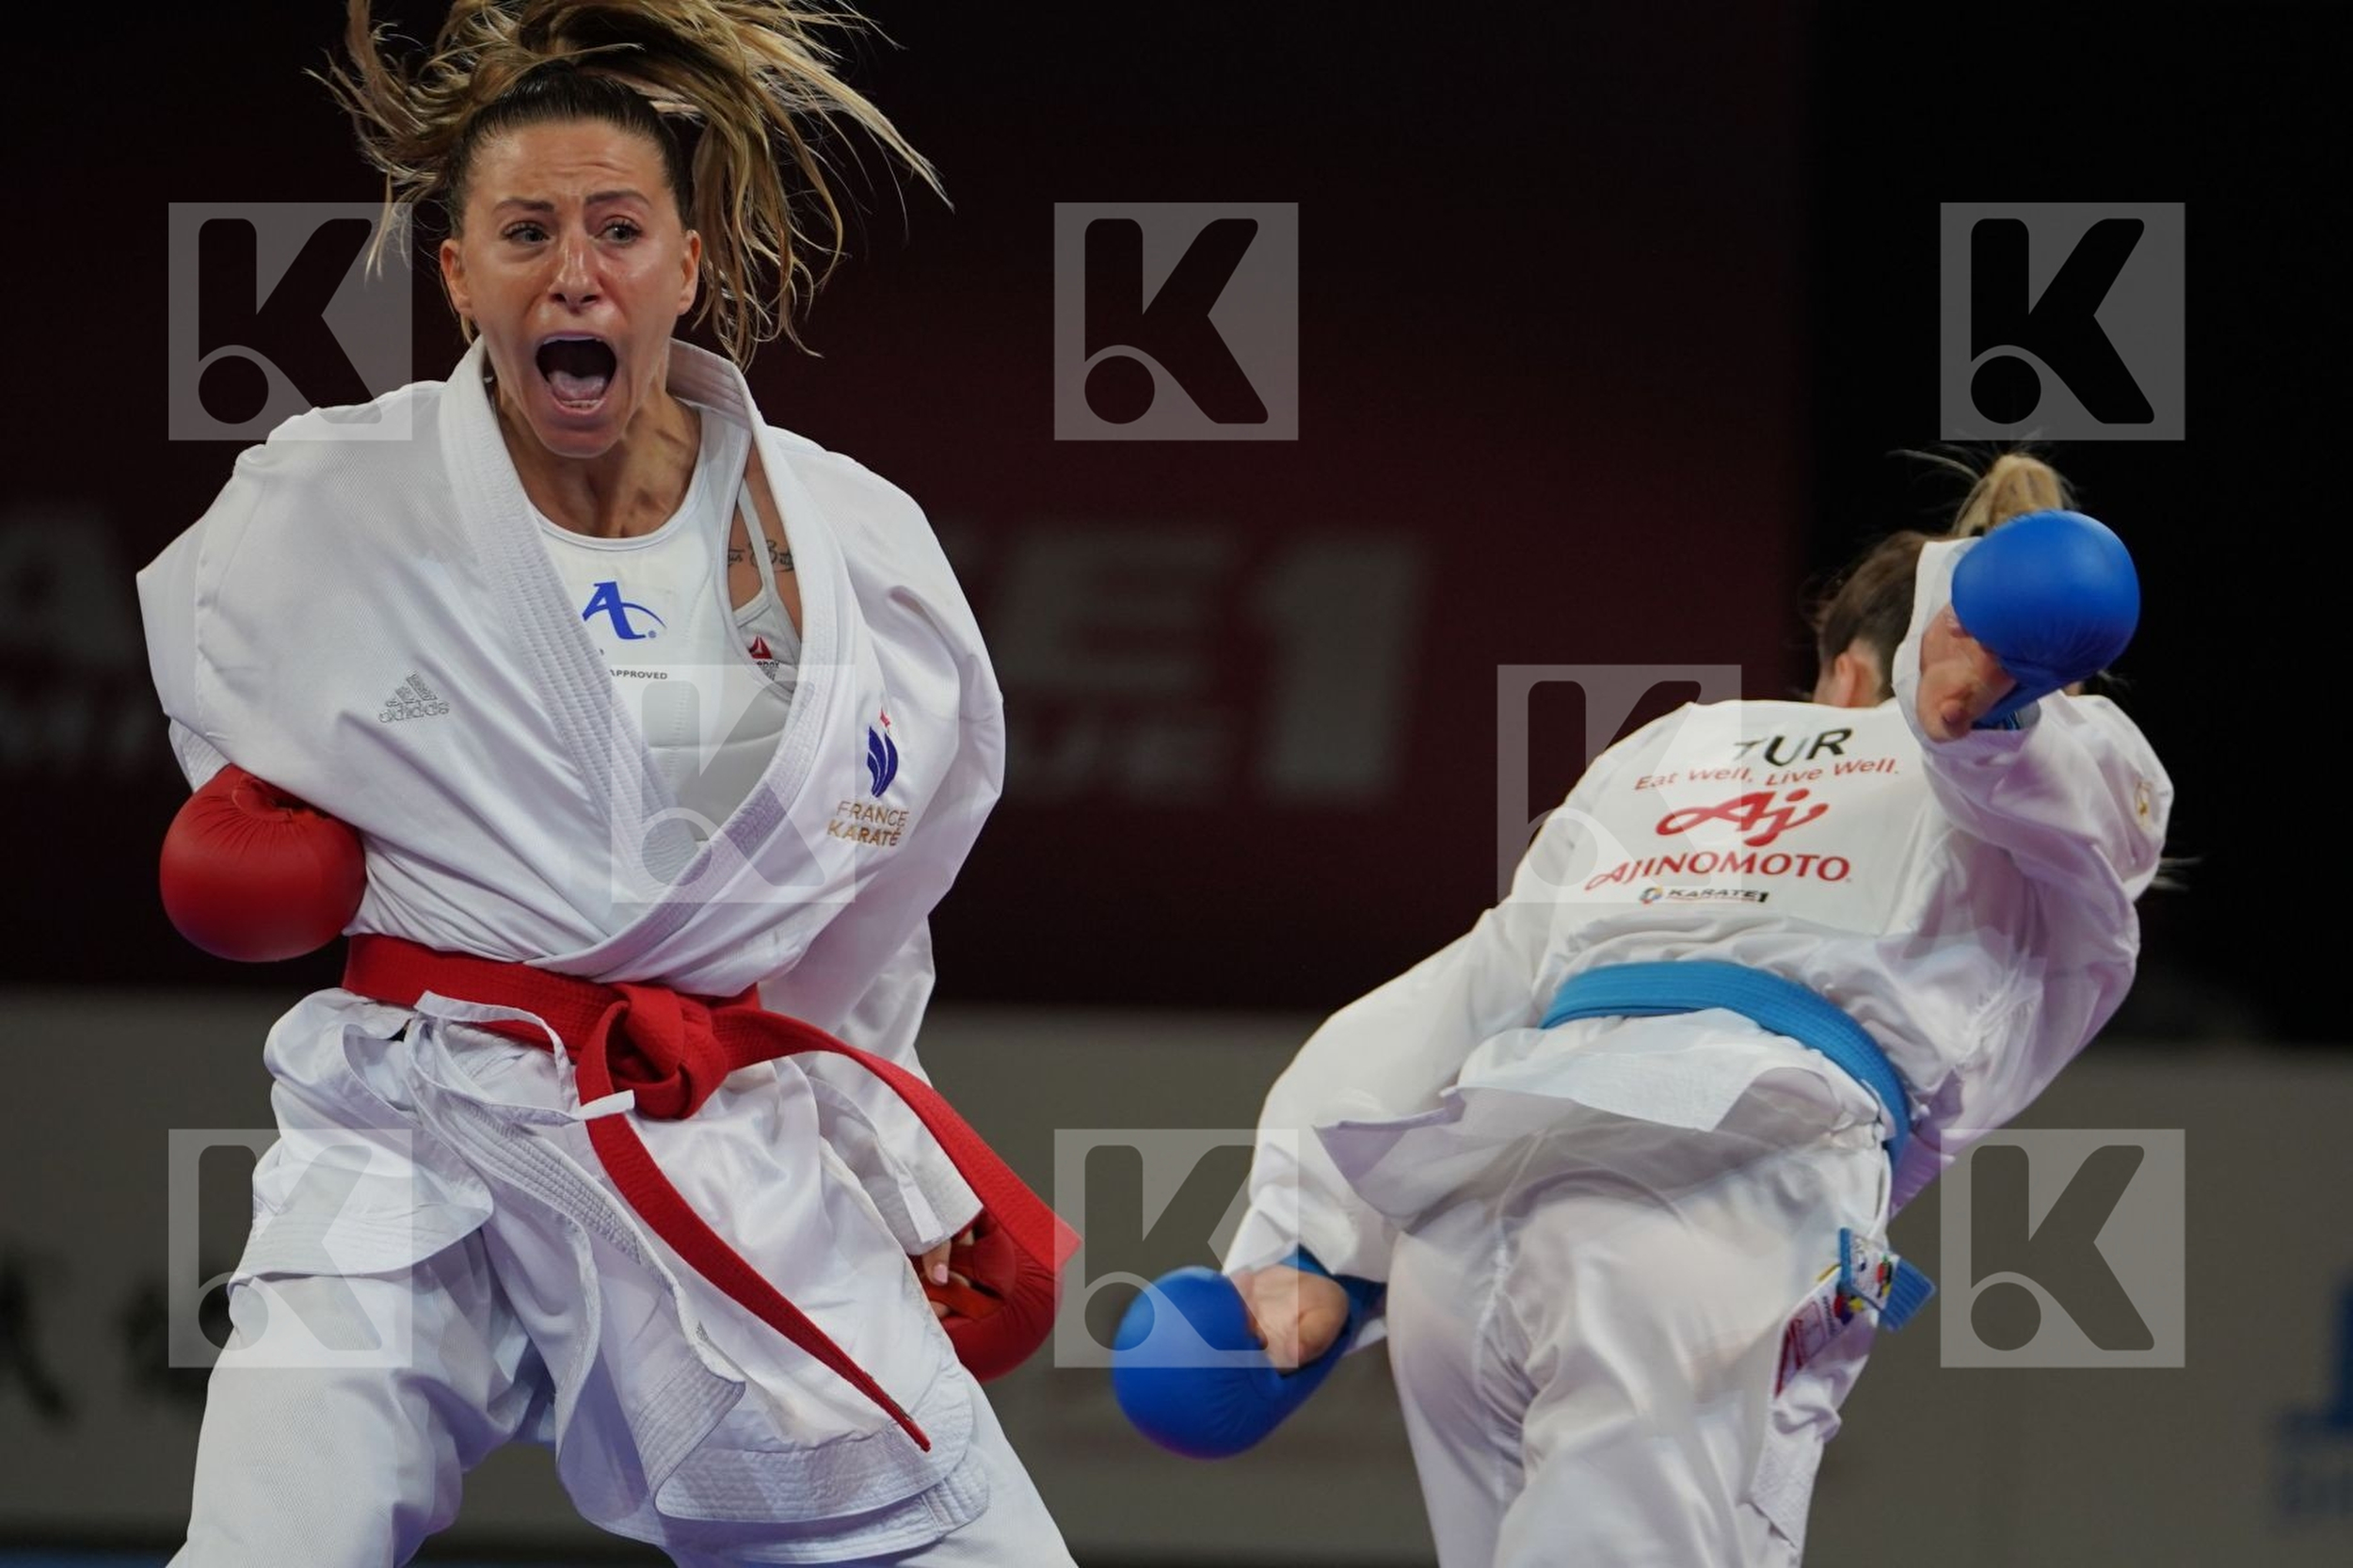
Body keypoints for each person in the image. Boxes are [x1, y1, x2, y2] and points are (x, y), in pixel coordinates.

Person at [136, 3, 1076, 1562]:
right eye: (524, 231)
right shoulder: (324, 510)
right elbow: (226, 724)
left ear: (685, 267)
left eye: (619, 228)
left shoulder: (850, 551)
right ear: (459, 277)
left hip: (709, 1144)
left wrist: (882, 1159)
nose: (575, 272)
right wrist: (269, 829)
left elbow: (880, 895)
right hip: (417, 1122)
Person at [1112, 453, 2172, 1564]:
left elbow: (1468, 987)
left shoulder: (1671, 749)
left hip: (1466, 1200)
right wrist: (1988, 719)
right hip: (1710, 1181)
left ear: (1839, 674)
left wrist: (1304, 1247)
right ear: (1895, 677)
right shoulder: (2010, 791)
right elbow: (2091, 805)